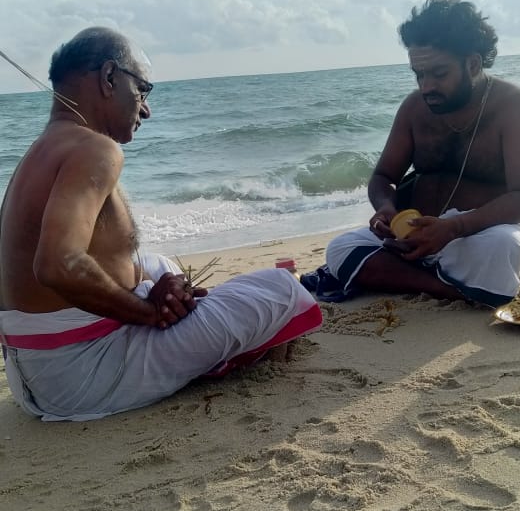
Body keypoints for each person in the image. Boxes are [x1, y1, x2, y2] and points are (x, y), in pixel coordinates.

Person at [0, 27, 321, 421]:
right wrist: (147, 311)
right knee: (282, 290)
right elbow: (57, 264)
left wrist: (150, 297)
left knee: (156, 265)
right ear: (109, 77)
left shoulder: (41, 151)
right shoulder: (95, 148)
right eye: (143, 89)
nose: (146, 109)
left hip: (35, 374)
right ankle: (217, 353)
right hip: (83, 375)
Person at [325, 0, 520, 306]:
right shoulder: (414, 108)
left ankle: (421, 273)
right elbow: (384, 177)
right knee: (340, 249)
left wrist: (454, 228)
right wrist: (385, 208)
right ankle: (449, 287)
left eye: (439, 74)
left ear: (473, 64)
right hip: (424, 232)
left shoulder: (515, 106)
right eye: (419, 74)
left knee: (501, 249)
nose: (426, 87)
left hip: (497, 229)